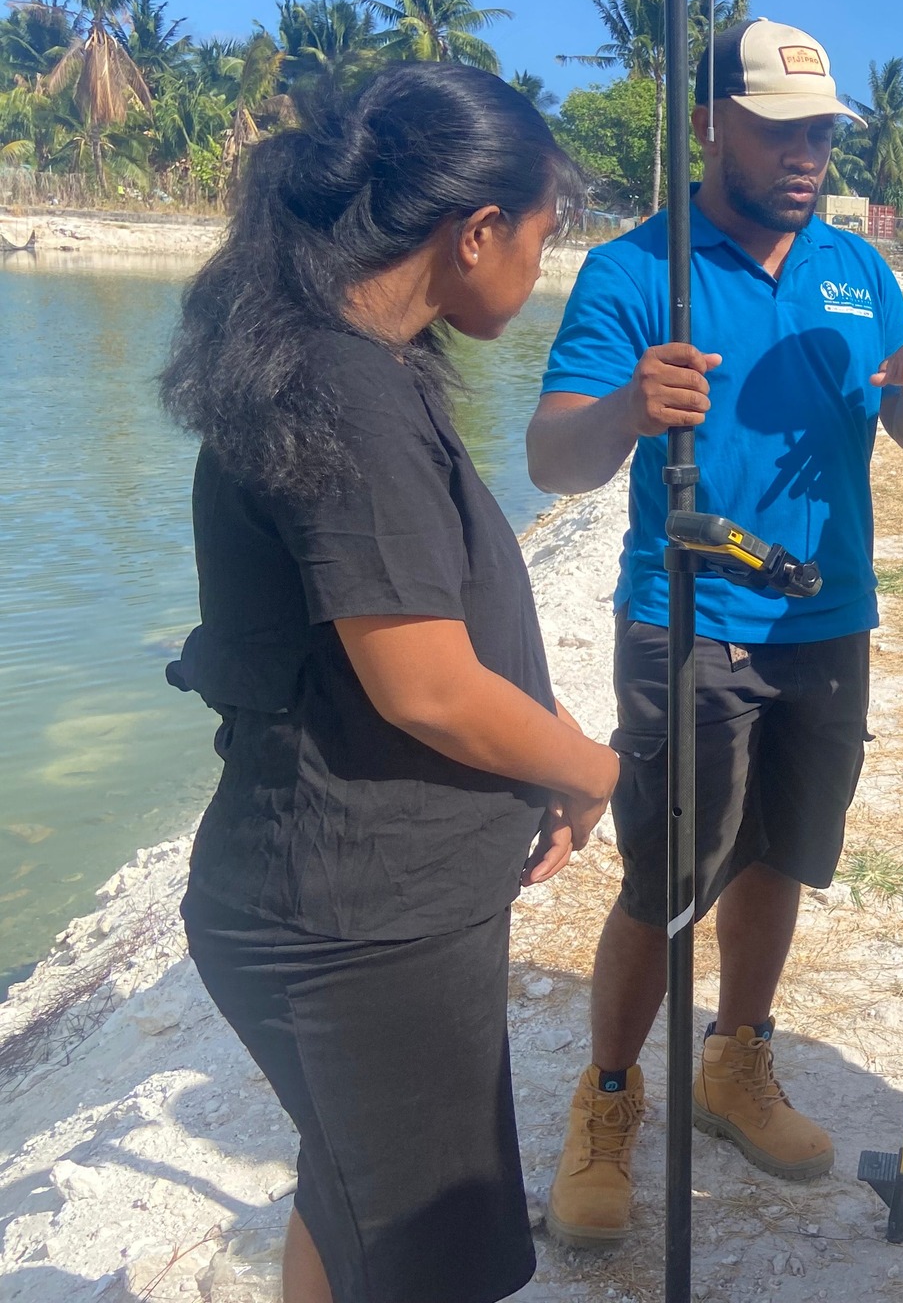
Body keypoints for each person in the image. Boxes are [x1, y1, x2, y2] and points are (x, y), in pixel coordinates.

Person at [160, 63, 612, 1303]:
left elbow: (420, 615)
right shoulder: (348, 391)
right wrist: (590, 769)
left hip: (348, 897)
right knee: (428, 1260)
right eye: (541, 230)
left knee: (351, 1195)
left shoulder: (338, 356)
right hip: (357, 922)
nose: (540, 260)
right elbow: (424, 688)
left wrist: (549, 732)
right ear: (474, 232)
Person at [528, 19, 903, 1243]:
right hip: (689, 618)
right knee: (670, 877)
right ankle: (608, 1100)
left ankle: (734, 1062)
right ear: (711, 120)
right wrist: (626, 406)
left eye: (821, 129)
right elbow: (550, 461)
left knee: (780, 855)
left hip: (828, 617)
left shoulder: (858, 273)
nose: (806, 151)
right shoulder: (632, 271)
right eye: (778, 125)